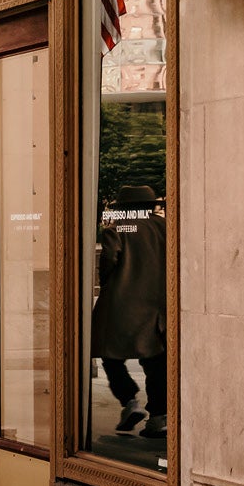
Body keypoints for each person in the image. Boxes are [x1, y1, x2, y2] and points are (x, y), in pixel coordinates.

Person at [92, 183, 168, 438]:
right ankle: (159, 417)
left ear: (123, 208)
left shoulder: (117, 230)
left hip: (122, 306)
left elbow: (109, 262)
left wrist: (109, 287)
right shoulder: (164, 228)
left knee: (111, 358)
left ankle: (130, 401)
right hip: (158, 306)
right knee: (156, 362)